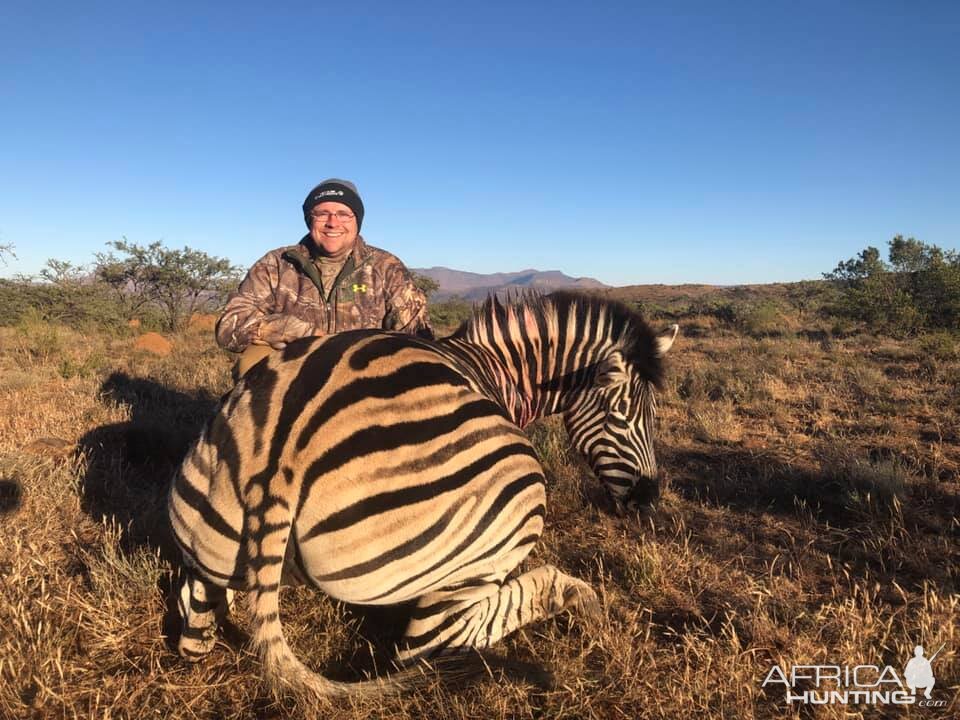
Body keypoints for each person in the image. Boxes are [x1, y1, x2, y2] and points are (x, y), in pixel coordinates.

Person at [216, 179, 433, 377]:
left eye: (343, 214)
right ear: (310, 219)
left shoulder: (386, 267)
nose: (332, 222)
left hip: (367, 374)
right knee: (252, 362)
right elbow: (228, 326)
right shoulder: (276, 263)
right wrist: (293, 330)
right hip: (294, 372)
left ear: (357, 220)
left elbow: (419, 339)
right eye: (322, 213)